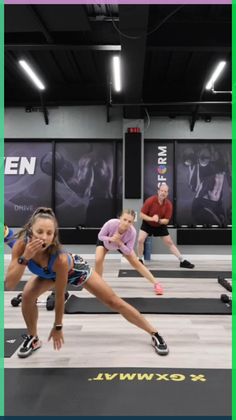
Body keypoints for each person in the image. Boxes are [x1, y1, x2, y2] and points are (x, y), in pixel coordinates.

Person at [5, 207, 169, 358]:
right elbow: (10, 284)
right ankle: (33, 338)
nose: (44, 237)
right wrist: (25, 258)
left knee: (113, 301)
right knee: (27, 295)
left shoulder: (60, 258)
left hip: (74, 270)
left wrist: (58, 326)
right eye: (39, 231)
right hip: (48, 274)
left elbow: (60, 295)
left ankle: (154, 333)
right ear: (30, 231)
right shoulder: (20, 247)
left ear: (54, 235)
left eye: (49, 233)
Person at [95, 210, 163, 295]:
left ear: (132, 223)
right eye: (124, 219)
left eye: (129, 221)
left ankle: (156, 283)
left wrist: (120, 243)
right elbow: (100, 236)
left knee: (136, 263)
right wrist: (111, 239)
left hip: (121, 244)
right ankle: (98, 285)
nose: (126, 223)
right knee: (98, 260)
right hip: (105, 241)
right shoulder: (111, 223)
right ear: (120, 218)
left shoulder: (132, 232)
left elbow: (128, 250)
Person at [137, 183, 194, 269]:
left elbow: (166, 221)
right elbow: (141, 215)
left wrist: (158, 220)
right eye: (162, 191)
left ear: (167, 193)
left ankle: (182, 261)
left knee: (169, 242)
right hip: (148, 223)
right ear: (158, 191)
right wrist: (152, 218)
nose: (163, 193)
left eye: (165, 191)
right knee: (140, 240)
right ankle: (140, 260)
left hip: (160, 225)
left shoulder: (168, 204)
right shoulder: (150, 200)